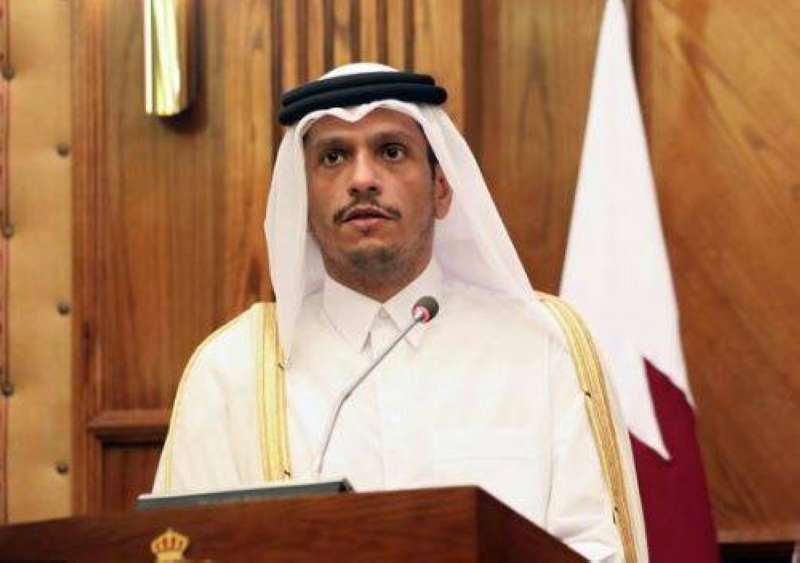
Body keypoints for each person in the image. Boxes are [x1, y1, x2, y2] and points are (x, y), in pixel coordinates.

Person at [153, 63, 636, 562]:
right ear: (302, 198)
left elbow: (596, 549)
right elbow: (185, 550)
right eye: (334, 156)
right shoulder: (231, 373)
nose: (362, 179)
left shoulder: (541, 346)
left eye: (391, 151)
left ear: (441, 188)